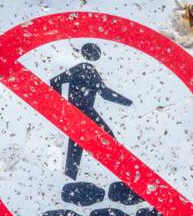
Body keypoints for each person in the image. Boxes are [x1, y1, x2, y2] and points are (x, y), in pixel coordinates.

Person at [50, 43, 133, 181]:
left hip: (80, 112)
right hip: (82, 111)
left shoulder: (88, 69)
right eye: (97, 52)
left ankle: (69, 177)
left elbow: (104, 93)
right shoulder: (84, 68)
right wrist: (60, 105)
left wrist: (128, 103)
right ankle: (125, 169)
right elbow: (55, 81)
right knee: (107, 137)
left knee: (77, 144)